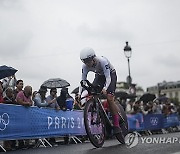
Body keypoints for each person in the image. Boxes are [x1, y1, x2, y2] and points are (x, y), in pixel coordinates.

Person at [78, 47, 122, 134]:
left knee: (109, 98)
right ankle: (100, 111)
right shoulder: (85, 67)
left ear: (93, 58)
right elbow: (82, 81)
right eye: (84, 61)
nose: (87, 63)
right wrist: (79, 94)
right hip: (99, 76)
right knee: (93, 93)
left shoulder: (102, 61)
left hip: (110, 74)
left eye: (88, 60)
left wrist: (105, 89)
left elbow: (108, 77)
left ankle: (116, 124)